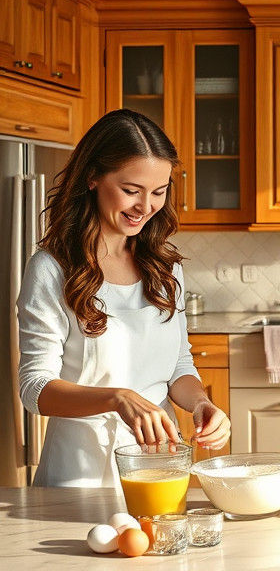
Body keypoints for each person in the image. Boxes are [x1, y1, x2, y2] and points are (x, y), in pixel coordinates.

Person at [18, 109, 230, 488]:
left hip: (158, 466)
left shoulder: (165, 268)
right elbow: (36, 389)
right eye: (131, 190)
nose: (145, 206)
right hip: (79, 474)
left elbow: (178, 364)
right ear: (93, 178)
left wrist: (201, 404)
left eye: (159, 192)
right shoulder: (52, 269)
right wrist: (118, 398)